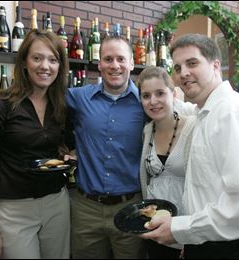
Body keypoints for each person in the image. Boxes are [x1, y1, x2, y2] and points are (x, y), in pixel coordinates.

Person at [140, 34, 239, 259]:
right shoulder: (203, 114)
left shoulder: (232, 113)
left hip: (232, 249)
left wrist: (181, 229)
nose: (183, 73)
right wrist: (190, 238)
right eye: (177, 68)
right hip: (206, 243)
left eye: (192, 63)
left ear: (216, 65)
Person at [0, 30, 72, 259]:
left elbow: (67, 146)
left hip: (56, 204)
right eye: (37, 58)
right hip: (13, 210)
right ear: (24, 63)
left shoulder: (62, 106)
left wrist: (71, 156)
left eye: (52, 60)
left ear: (60, 67)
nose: (45, 66)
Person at [66, 35, 147, 259]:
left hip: (130, 207)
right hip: (86, 210)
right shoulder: (78, 98)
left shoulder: (146, 102)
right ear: (99, 63)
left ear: (131, 63)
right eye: (108, 59)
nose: (115, 65)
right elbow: (41, 100)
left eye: (121, 59)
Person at [137, 66, 196, 259]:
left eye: (160, 93)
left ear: (174, 94)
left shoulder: (193, 127)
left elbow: (203, 187)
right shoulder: (147, 131)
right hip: (155, 230)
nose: (153, 101)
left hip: (186, 232)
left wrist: (191, 237)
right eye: (146, 96)